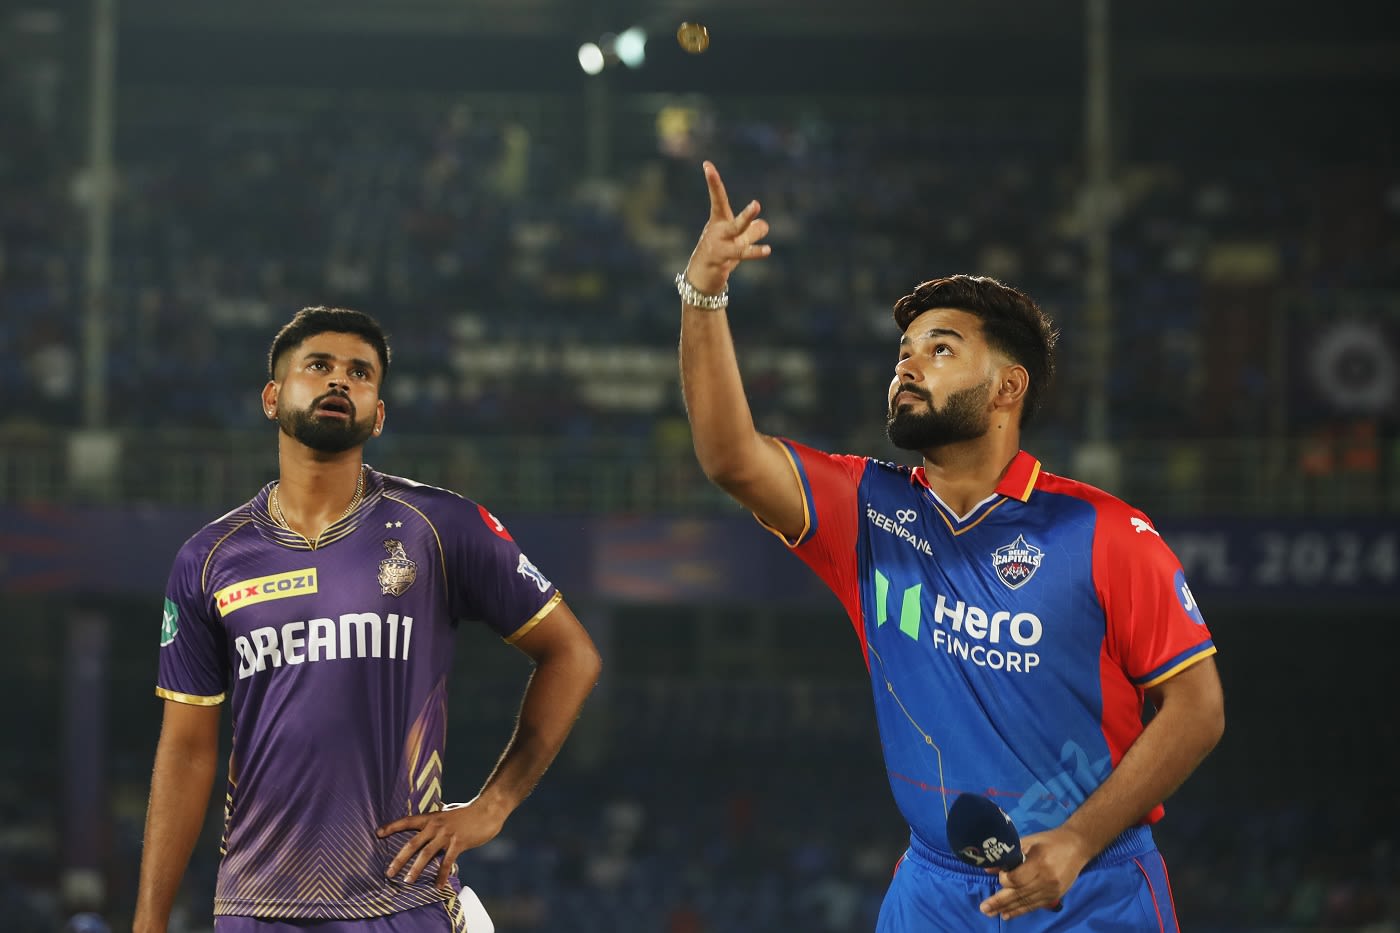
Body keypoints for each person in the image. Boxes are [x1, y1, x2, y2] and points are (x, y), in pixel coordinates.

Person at [676, 162, 1224, 930]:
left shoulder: (1105, 533)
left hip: (1091, 883)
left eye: (940, 349)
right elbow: (730, 456)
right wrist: (703, 291)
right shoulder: (866, 508)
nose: (906, 361)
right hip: (932, 891)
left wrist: (1075, 840)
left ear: (1007, 388)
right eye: (903, 348)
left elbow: (1198, 710)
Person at [134, 306, 602, 933]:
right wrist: (149, 921)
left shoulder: (440, 527)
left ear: (377, 415)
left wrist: (493, 806)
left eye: (360, 373)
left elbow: (573, 654)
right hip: (255, 906)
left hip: (400, 898)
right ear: (273, 397)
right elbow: (188, 751)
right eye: (318, 366)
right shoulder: (209, 559)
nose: (339, 382)